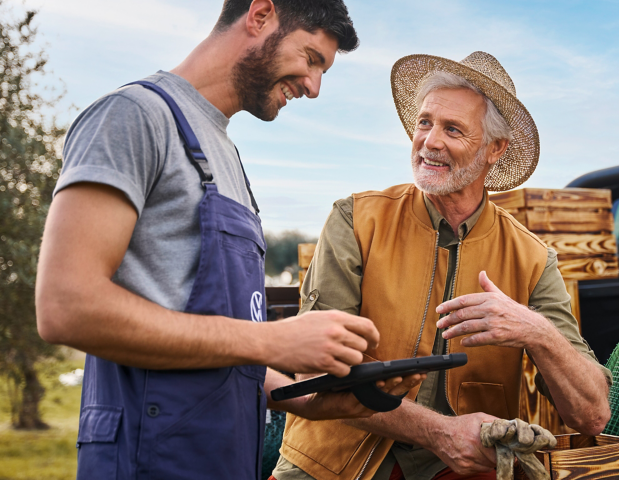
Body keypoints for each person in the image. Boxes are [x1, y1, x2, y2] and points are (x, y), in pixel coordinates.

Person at [35, 1, 421, 479]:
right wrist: (273, 339)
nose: (314, 87)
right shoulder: (133, 116)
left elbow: (225, 341)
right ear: (260, 15)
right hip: (149, 458)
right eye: (312, 58)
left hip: (223, 457)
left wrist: (309, 400)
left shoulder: (225, 154)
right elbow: (66, 307)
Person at [272, 52, 613, 480]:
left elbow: (592, 416)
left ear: (495, 149)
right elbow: (315, 370)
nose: (430, 141)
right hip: (331, 465)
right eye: (425, 122)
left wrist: (536, 330)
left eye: (452, 129)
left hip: (460, 469)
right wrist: (438, 432)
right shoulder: (356, 219)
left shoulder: (532, 257)